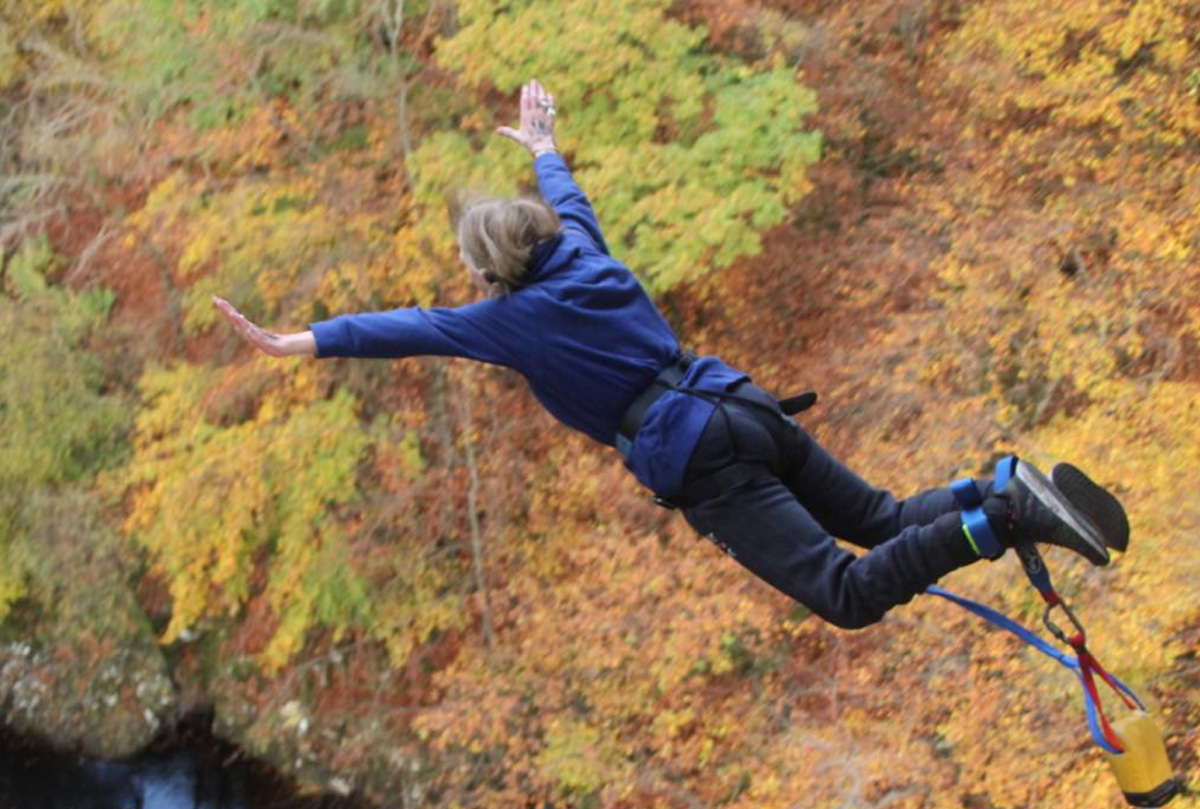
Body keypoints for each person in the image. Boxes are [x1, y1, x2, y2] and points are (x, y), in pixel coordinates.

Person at [214, 79, 1129, 630]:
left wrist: (299, 341)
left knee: (849, 594)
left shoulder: (506, 323)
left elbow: (407, 327)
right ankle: (1002, 486)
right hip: (738, 402)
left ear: (491, 273)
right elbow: (566, 197)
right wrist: (543, 146)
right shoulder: (581, 250)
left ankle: (1003, 513)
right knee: (883, 518)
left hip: (701, 454)